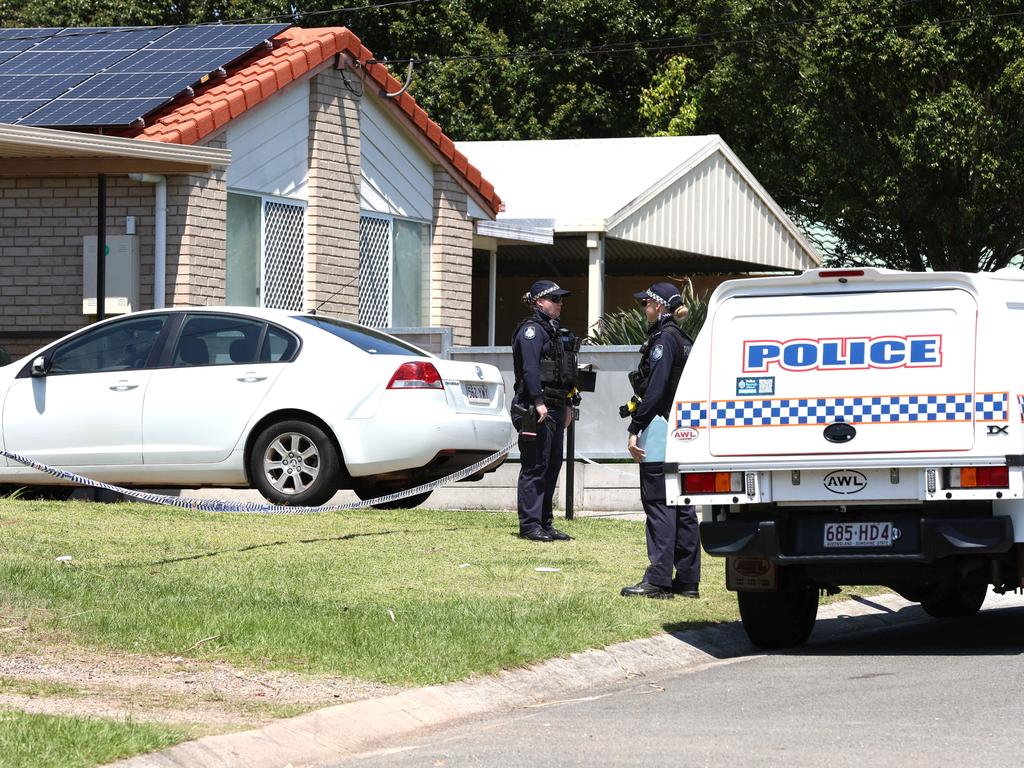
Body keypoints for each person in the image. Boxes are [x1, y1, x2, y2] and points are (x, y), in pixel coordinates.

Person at [620, 281, 701, 599]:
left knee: (659, 506)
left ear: (659, 306)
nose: (644, 310)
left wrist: (635, 427)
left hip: (661, 431)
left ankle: (658, 580)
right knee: (682, 507)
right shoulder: (685, 339)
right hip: (686, 433)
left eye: (646, 304)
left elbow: (654, 392)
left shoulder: (663, 341)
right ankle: (688, 580)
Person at [511, 279, 578, 542]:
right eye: (556, 300)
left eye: (562, 300)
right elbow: (529, 370)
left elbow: (564, 373)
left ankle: (545, 522)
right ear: (540, 301)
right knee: (535, 465)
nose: (561, 304)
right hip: (535, 407)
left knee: (552, 465)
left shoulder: (553, 331)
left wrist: (569, 404)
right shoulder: (531, 331)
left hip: (557, 405)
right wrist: (538, 401)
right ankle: (529, 525)